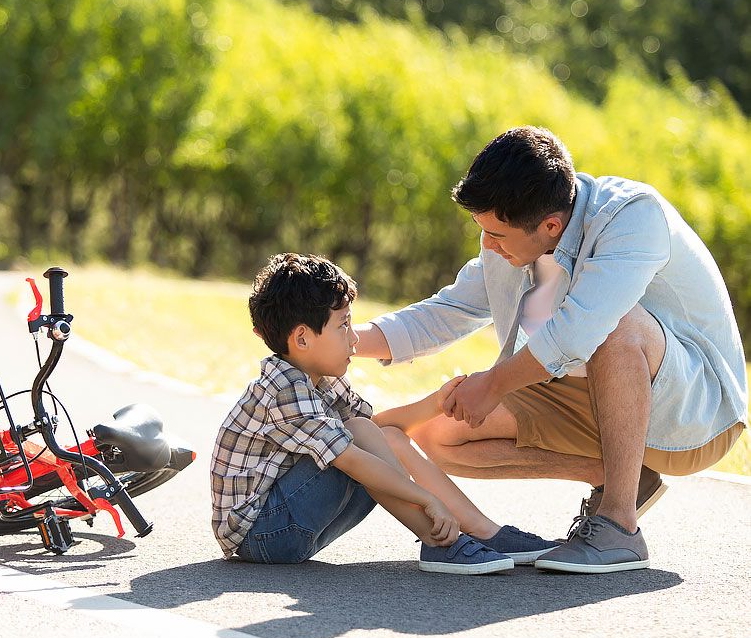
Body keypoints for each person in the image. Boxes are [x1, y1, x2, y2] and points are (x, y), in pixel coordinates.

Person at [353, 127, 748, 575]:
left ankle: (619, 525)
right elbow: (445, 312)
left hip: (696, 417)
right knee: (438, 432)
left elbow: (579, 332)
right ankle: (620, 476)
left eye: (496, 235)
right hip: (598, 403)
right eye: (481, 231)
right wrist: (346, 341)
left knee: (615, 326)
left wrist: (494, 383)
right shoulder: (511, 244)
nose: (487, 245)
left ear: (551, 226)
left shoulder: (633, 218)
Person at [211, 252, 560, 574]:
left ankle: (483, 531)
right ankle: (441, 542)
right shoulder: (284, 388)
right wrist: (427, 500)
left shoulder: (320, 377)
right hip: (262, 532)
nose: (354, 340)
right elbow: (356, 454)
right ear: (302, 339)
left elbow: (380, 432)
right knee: (360, 438)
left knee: (375, 433)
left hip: (288, 521)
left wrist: (435, 404)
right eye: (343, 325)